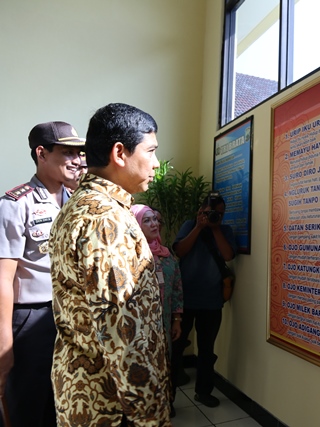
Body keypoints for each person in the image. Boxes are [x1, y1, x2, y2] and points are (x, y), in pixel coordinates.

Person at [48, 103, 171, 426]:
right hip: (112, 404)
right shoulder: (105, 220)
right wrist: (149, 417)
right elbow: (123, 334)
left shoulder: (84, 205)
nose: (156, 163)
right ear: (119, 153)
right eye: (151, 151)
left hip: (88, 392)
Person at [0, 121, 85, 427]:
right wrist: (5, 341)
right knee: (29, 405)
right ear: (42, 153)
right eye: (67, 152)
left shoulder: (77, 202)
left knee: (63, 402)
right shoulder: (15, 204)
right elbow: (3, 278)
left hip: (70, 316)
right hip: (31, 320)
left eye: (79, 153)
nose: (77, 160)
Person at [173, 192, 236, 408]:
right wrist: (199, 227)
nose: (216, 216)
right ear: (201, 211)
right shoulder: (189, 225)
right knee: (176, 349)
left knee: (207, 350)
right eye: (212, 213)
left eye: (220, 214)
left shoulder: (225, 230)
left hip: (211, 301)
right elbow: (180, 251)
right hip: (184, 300)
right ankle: (168, 399)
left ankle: (203, 392)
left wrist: (215, 228)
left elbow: (228, 256)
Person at [131, 204, 183, 417]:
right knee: (144, 366)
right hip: (140, 327)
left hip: (165, 322)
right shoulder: (130, 257)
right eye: (147, 220)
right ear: (135, 224)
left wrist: (177, 319)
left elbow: (177, 288)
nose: (154, 224)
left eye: (155, 219)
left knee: (166, 363)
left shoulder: (166, 255)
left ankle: (166, 402)